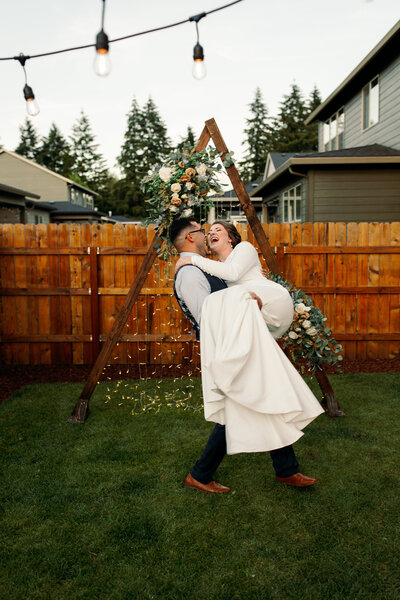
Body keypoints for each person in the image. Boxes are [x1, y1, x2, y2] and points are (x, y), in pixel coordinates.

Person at [170, 217, 321, 493]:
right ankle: (201, 474)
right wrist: (243, 300)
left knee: (264, 396)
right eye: (204, 230)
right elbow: (207, 316)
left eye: (215, 230)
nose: (208, 234)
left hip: (240, 340)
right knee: (237, 407)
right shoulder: (190, 273)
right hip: (227, 347)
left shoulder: (213, 266)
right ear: (191, 237)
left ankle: (286, 470)